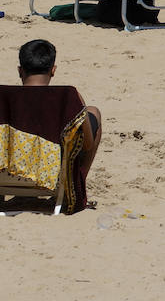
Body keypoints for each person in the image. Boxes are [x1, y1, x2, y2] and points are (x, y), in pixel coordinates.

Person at [18, 39, 102, 201]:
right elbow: (88, 144)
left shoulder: (4, 98)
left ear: (20, 71)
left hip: (11, 170)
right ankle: (75, 190)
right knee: (93, 112)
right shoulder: (69, 98)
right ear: (53, 70)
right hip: (53, 172)